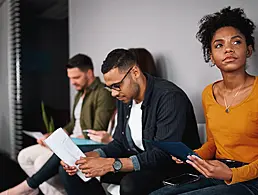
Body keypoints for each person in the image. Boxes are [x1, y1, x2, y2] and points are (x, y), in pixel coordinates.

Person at [59, 48, 201, 195]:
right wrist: (92, 156)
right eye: (110, 88)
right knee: (75, 170)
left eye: (116, 86)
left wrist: (111, 164)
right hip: (144, 163)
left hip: (172, 168)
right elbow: (120, 143)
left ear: (135, 72)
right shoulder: (125, 98)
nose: (114, 93)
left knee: (131, 184)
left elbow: (163, 154)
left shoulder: (169, 97)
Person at [151, 6, 258, 195]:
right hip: (217, 171)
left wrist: (233, 173)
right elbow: (213, 144)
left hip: (251, 179)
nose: (228, 50)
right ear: (211, 55)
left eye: (236, 42)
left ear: (248, 50)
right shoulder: (209, 93)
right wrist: (193, 156)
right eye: (219, 45)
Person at [0, 54, 116, 195]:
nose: (72, 82)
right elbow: (73, 123)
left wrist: (62, 141)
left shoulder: (103, 93)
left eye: (76, 77)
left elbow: (97, 131)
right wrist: (54, 135)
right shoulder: (80, 94)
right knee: (24, 156)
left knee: (40, 163)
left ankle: (29, 188)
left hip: (80, 144)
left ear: (89, 73)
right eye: (70, 78)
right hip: (70, 140)